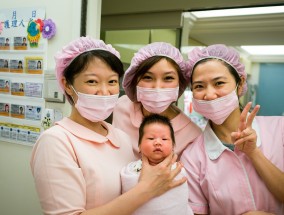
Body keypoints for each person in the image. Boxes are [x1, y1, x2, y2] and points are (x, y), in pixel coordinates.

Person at [30, 36, 185, 215]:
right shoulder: (56, 141)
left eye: (111, 81)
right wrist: (146, 190)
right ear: (67, 85)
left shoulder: (121, 138)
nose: (104, 91)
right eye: (92, 81)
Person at [180, 44, 284, 215]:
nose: (210, 94)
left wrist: (254, 153)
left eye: (219, 83)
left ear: (240, 82)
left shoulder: (279, 129)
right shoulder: (192, 157)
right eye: (199, 86)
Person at [112, 42, 202, 159]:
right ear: (135, 81)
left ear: (180, 84)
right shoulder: (121, 106)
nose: (157, 87)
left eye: (168, 78)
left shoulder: (192, 135)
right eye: (148, 77)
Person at [121, 114, 193, 215]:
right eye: (151, 138)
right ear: (139, 146)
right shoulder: (130, 170)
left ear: (173, 146)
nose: (158, 142)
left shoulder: (178, 170)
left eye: (164, 139)